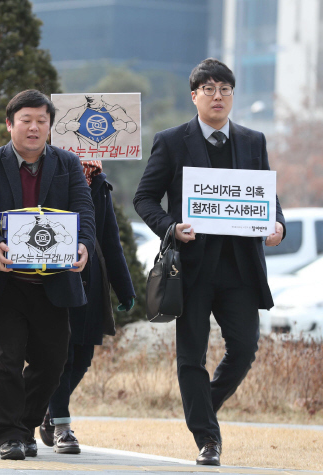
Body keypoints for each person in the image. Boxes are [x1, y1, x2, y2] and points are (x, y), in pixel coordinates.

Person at [133, 58, 286, 466]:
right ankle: (207, 439)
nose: (218, 97)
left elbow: (266, 197)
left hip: (240, 268)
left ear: (233, 96)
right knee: (191, 356)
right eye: (209, 89)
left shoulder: (253, 140)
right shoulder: (171, 140)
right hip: (193, 269)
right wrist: (171, 227)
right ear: (194, 95)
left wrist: (278, 226)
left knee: (245, 348)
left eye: (225, 90)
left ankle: (200, 409)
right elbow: (144, 198)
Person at [0, 89, 95, 460]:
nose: (34, 127)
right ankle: (8, 434)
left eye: (42, 120)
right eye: (26, 120)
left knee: (52, 363)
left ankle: (25, 425)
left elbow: (82, 209)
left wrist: (84, 243)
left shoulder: (68, 164)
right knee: (6, 361)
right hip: (6, 281)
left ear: (51, 126)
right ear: (10, 124)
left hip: (53, 282)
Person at [38, 160, 136, 454]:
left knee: (82, 357)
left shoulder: (100, 184)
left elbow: (109, 240)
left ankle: (46, 411)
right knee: (61, 355)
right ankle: (62, 427)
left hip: (91, 278)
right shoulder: (47, 171)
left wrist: (124, 287)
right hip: (52, 275)